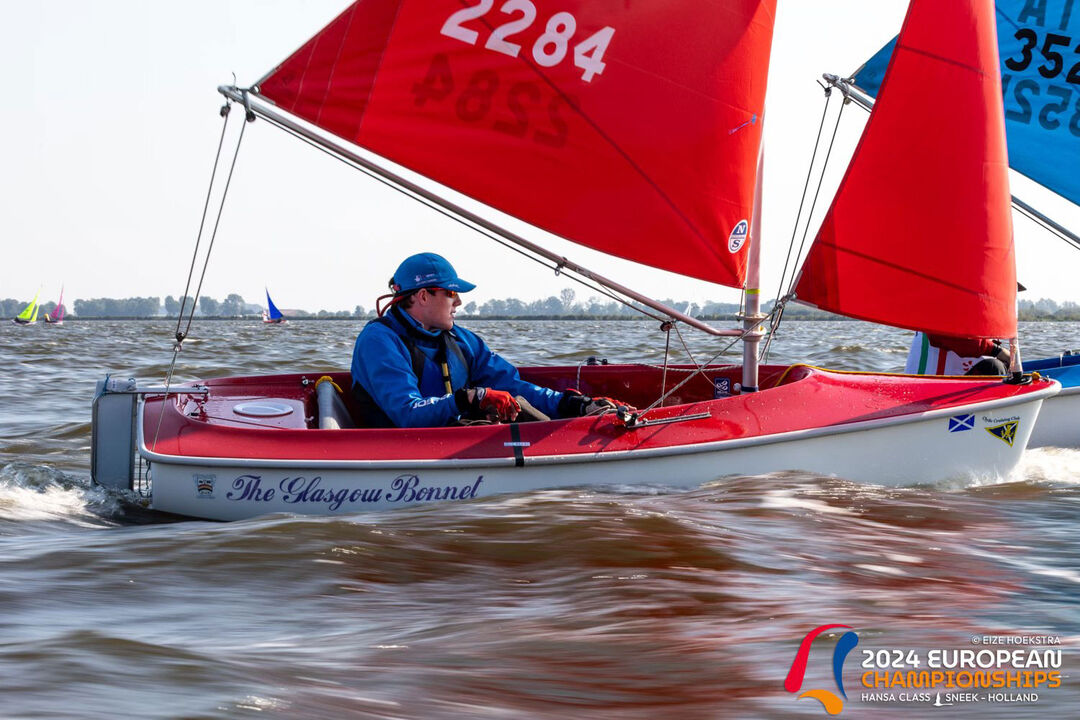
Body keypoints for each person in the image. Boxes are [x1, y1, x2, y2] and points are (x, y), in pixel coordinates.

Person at [350, 252, 630, 428]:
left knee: (521, 404)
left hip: (458, 439)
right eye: (451, 293)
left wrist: (574, 404)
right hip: (407, 452)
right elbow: (408, 414)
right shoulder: (379, 341)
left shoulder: (462, 340)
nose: (458, 301)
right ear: (423, 296)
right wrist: (471, 398)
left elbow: (512, 385)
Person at [904, 332, 1010, 376]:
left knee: (1008, 369)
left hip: (958, 385)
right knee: (994, 367)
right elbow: (948, 336)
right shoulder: (945, 304)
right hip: (929, 391)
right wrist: (997, 351)